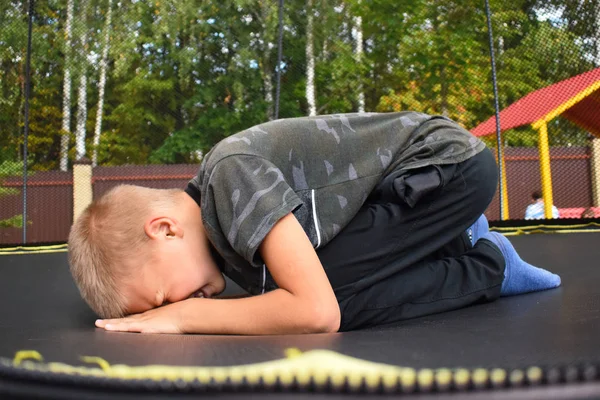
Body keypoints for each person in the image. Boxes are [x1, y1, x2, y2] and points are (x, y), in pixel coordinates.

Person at [68, 112, 561, 334]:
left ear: (164, 228)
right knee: (304, 297)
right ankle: (458, 246)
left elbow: (317, 311)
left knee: (321, 296)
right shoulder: (228, 252)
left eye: (161, 298)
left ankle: (487, 263)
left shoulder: (228, 176)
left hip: (445, 166)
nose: (174, 306)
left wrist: (185, 318)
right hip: (415, 195)